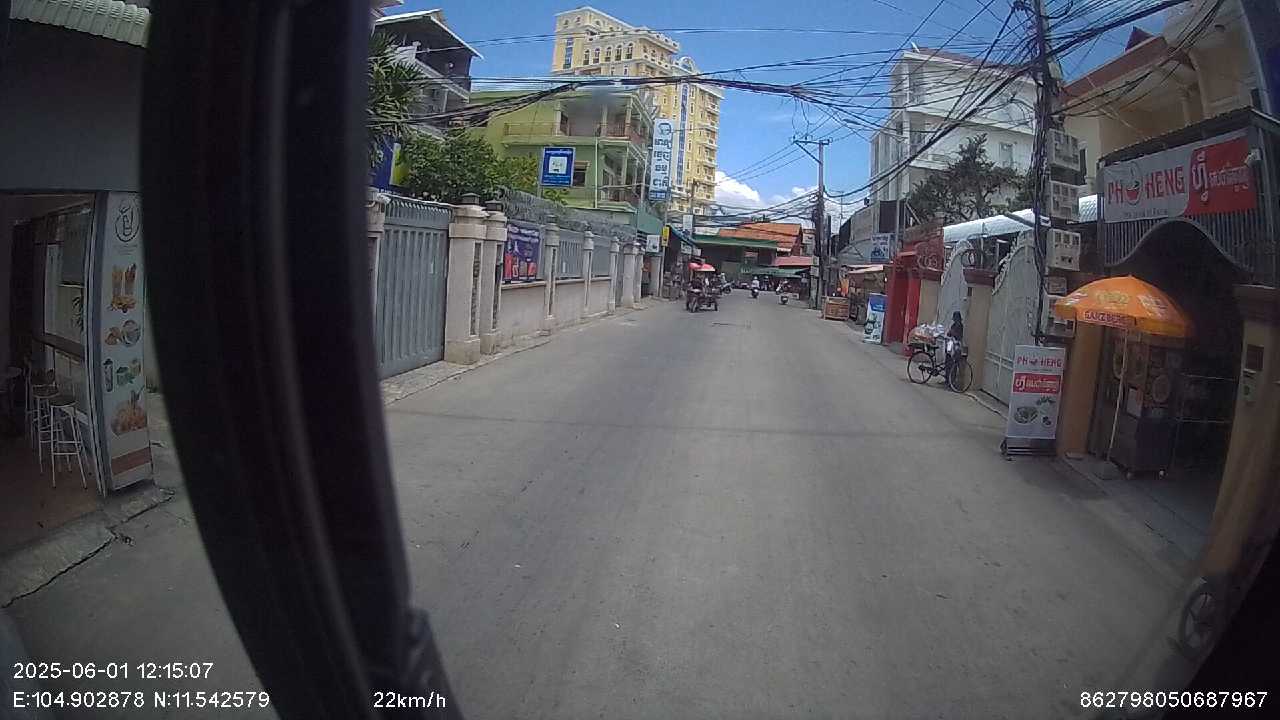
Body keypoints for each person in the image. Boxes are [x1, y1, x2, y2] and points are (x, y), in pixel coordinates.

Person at [944, 311, 965, 380]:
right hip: (950, 344)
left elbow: (959, 337)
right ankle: (947, 378)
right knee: (947, 361)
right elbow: (949, 334)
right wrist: (949, 333)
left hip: (956, 346)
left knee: (953, 363)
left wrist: (953, 333)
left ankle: (952, 379)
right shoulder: (953, 325)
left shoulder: (960, 326)